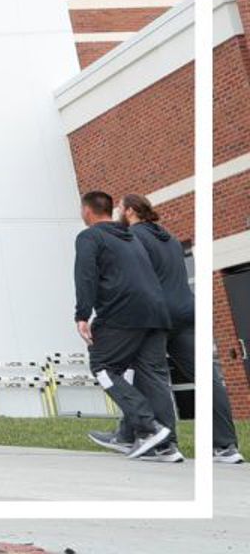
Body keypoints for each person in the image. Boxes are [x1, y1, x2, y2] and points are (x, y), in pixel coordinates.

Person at [101, 193, 240, 463]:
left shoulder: (133, 238)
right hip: (188, 313)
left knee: (151, 376)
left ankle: (164, 444)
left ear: (129, 211)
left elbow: (133, 281)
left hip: (158, 316)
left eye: (119, 207)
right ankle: (226, 447)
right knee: (207, 378)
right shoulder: (171, 239)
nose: (117, 212)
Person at [72, 190, 177, 461]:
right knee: (153, 377)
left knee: (102, 366)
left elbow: (85, 276)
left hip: (123, 313)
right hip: (156, 312)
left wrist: (82, 315)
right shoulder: (131, 237)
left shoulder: (89, 236)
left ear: (87, 211)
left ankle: (148, 427)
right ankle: (165, 444)